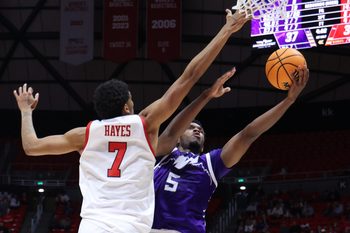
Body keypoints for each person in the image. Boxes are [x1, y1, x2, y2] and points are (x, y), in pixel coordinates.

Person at [13, 9, 249, 233]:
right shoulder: (144, 125)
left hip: (93, 226)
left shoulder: (83, 135)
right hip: (132, 226)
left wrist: (25, 111)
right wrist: (226, 30)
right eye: (132, 100)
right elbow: (189, 76)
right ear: (126, 107)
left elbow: (31, 147)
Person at [152, 65, 309, 233]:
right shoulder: (162, 154)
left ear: (204, 145)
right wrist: (206, 96)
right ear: (177, 139)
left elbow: (248, 134)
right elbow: (170, 131)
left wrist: (289, 100)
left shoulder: (209, 164)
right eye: (190, 127)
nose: (197, 130)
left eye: (201, 130)